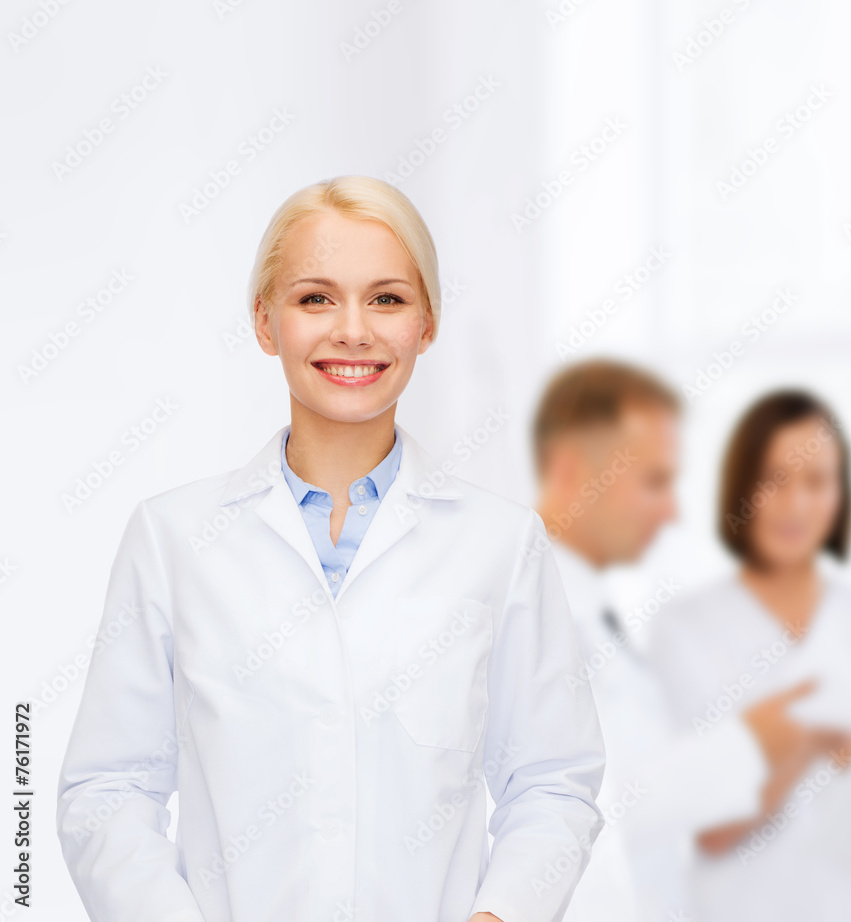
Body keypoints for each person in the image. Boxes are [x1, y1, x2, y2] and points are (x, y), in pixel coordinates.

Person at [55, 176, 606, 922]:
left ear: (428, 323)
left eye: (387, 298)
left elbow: (552, 781)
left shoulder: (500, 545)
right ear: (264, 322)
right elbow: (108, 790)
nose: (354, 330)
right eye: (315, 298)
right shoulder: (173, 538)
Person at [529, 361, 851, 919]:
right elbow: (597, 800)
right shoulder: (522, 613)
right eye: (654, 482)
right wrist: (755, 744)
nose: (673, 510)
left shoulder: (591, 612)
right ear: (570, 472)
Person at [644, 388, 851, 921]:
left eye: (816, 482)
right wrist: (809, 740)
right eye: (773, 480)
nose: (795, 504)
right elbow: (705, 830)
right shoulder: (684, 630)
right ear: (742, 486)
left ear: (841, 494)